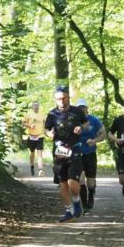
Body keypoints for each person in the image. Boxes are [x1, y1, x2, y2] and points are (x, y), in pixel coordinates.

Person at [44, 85, 88, 221]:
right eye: (59, 99)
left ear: (68, 98)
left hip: (74, 149)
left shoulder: (77, 112)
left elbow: (86, 123)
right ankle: (68, 211)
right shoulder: (52, 114)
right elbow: (46, 128)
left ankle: (76, 201)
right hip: (58, 151)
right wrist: (49, 133)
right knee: (62, 183)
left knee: (72, 183)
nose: (62, 101)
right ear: (55, 99)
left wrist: (81, 128)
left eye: (64, 98)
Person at [74, 98, 105, 212]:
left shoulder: (94, 120)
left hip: (90, 153)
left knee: (90, 182)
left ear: (87, 108)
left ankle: (91, 195)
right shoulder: (74, 120)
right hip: (78, 153)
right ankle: (85, 203)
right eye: (79, 108)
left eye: (83, 107)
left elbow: (103, 134)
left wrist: (94, 140)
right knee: (81, 179)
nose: (81, 109)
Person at [21, 101, 45, 176]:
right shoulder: (28, 114)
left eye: (37, 105)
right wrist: (29, 126)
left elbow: (45, 125)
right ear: (32, 107)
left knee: (40, 153)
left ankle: (40, 170)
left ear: (39, 106)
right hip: (31, 136)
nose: (36, 106)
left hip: (40, 136)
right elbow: (23, 123)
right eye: (34, 105)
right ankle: (32, 165)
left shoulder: (42, 115)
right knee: (32, 153)